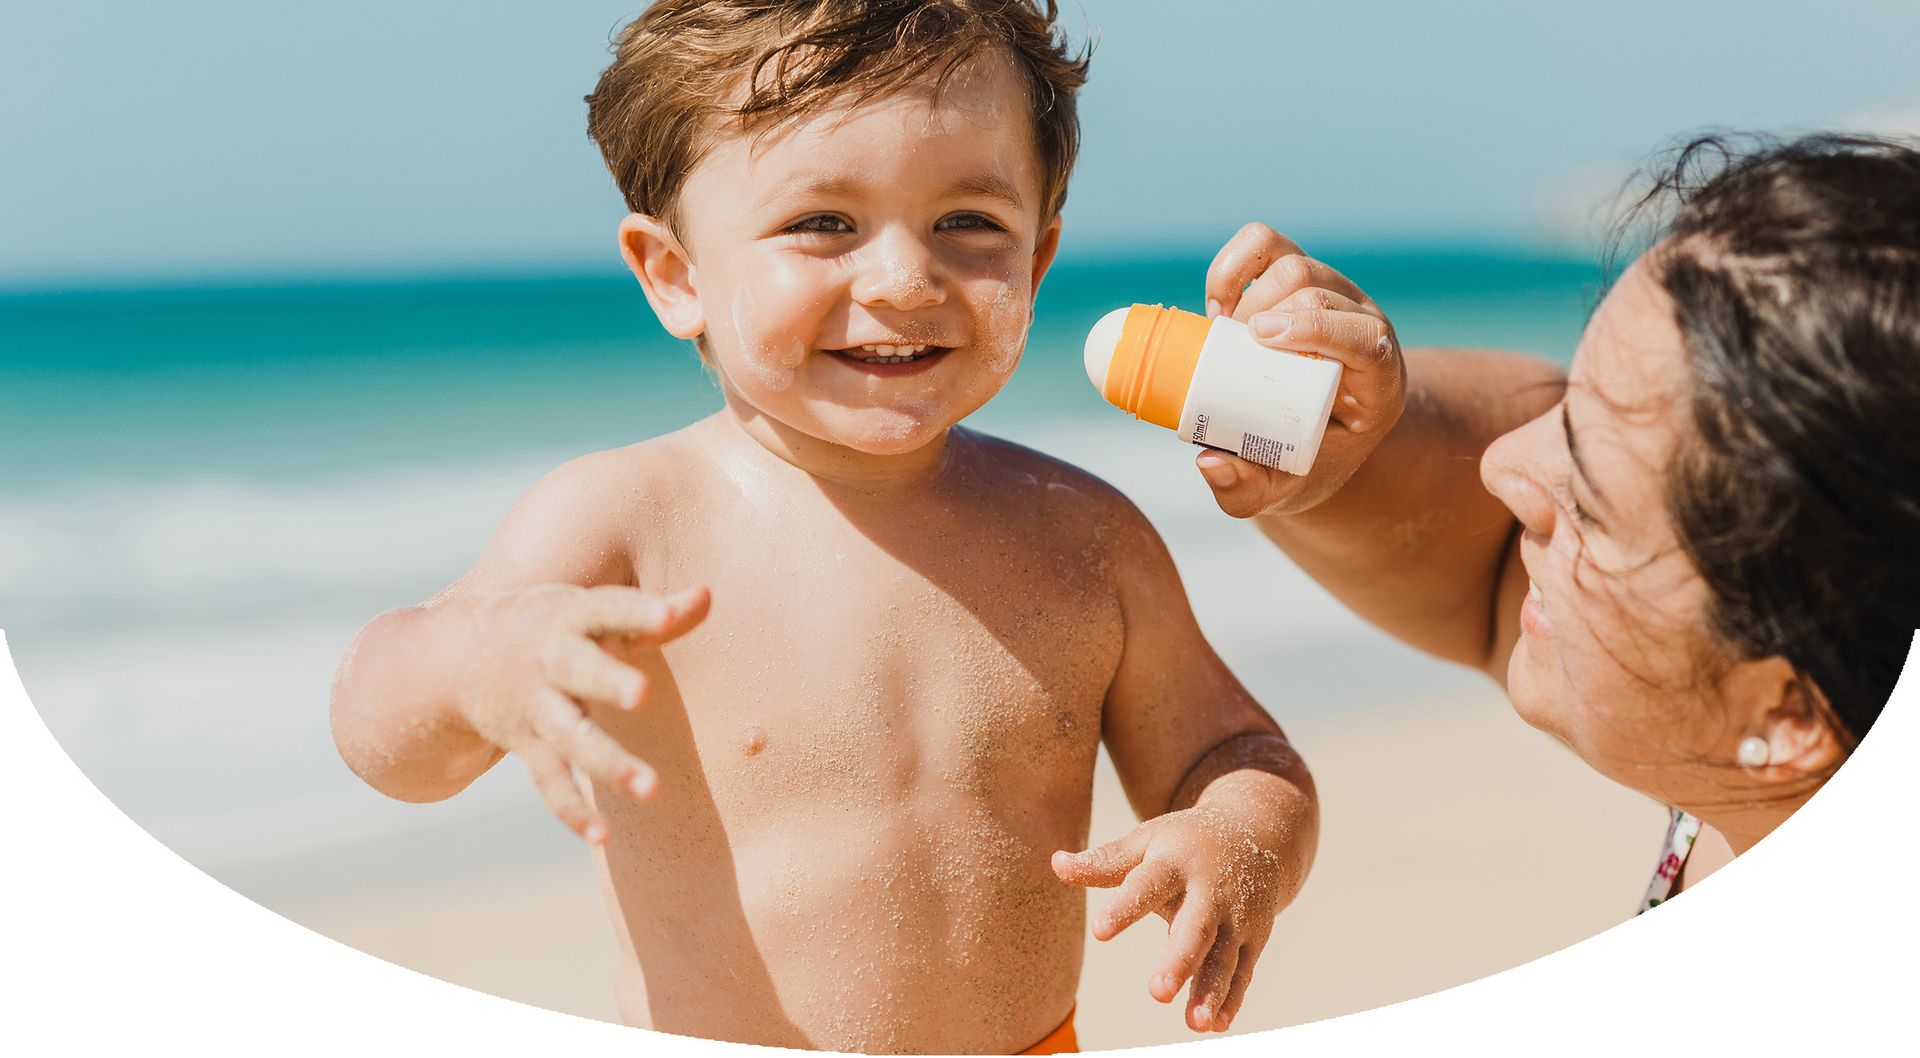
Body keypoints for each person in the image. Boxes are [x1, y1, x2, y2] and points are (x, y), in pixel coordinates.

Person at [327, 2, 1318, 1051]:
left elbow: (1238, 748)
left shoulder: (1086, 536)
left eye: (969, 223)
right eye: (823, 224)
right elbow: (381, 736)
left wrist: (1235, 831)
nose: (904, 279)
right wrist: (476, 660)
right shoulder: (630, 521)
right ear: (675, 274)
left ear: (1037, 257)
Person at [1189, 133, 1918, 909]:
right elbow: (1489, 563)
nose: (1503, 464)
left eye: (1592, 499)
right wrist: (1351, 436)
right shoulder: (1758, 776)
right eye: (1578, 398)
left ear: (1790, 713)